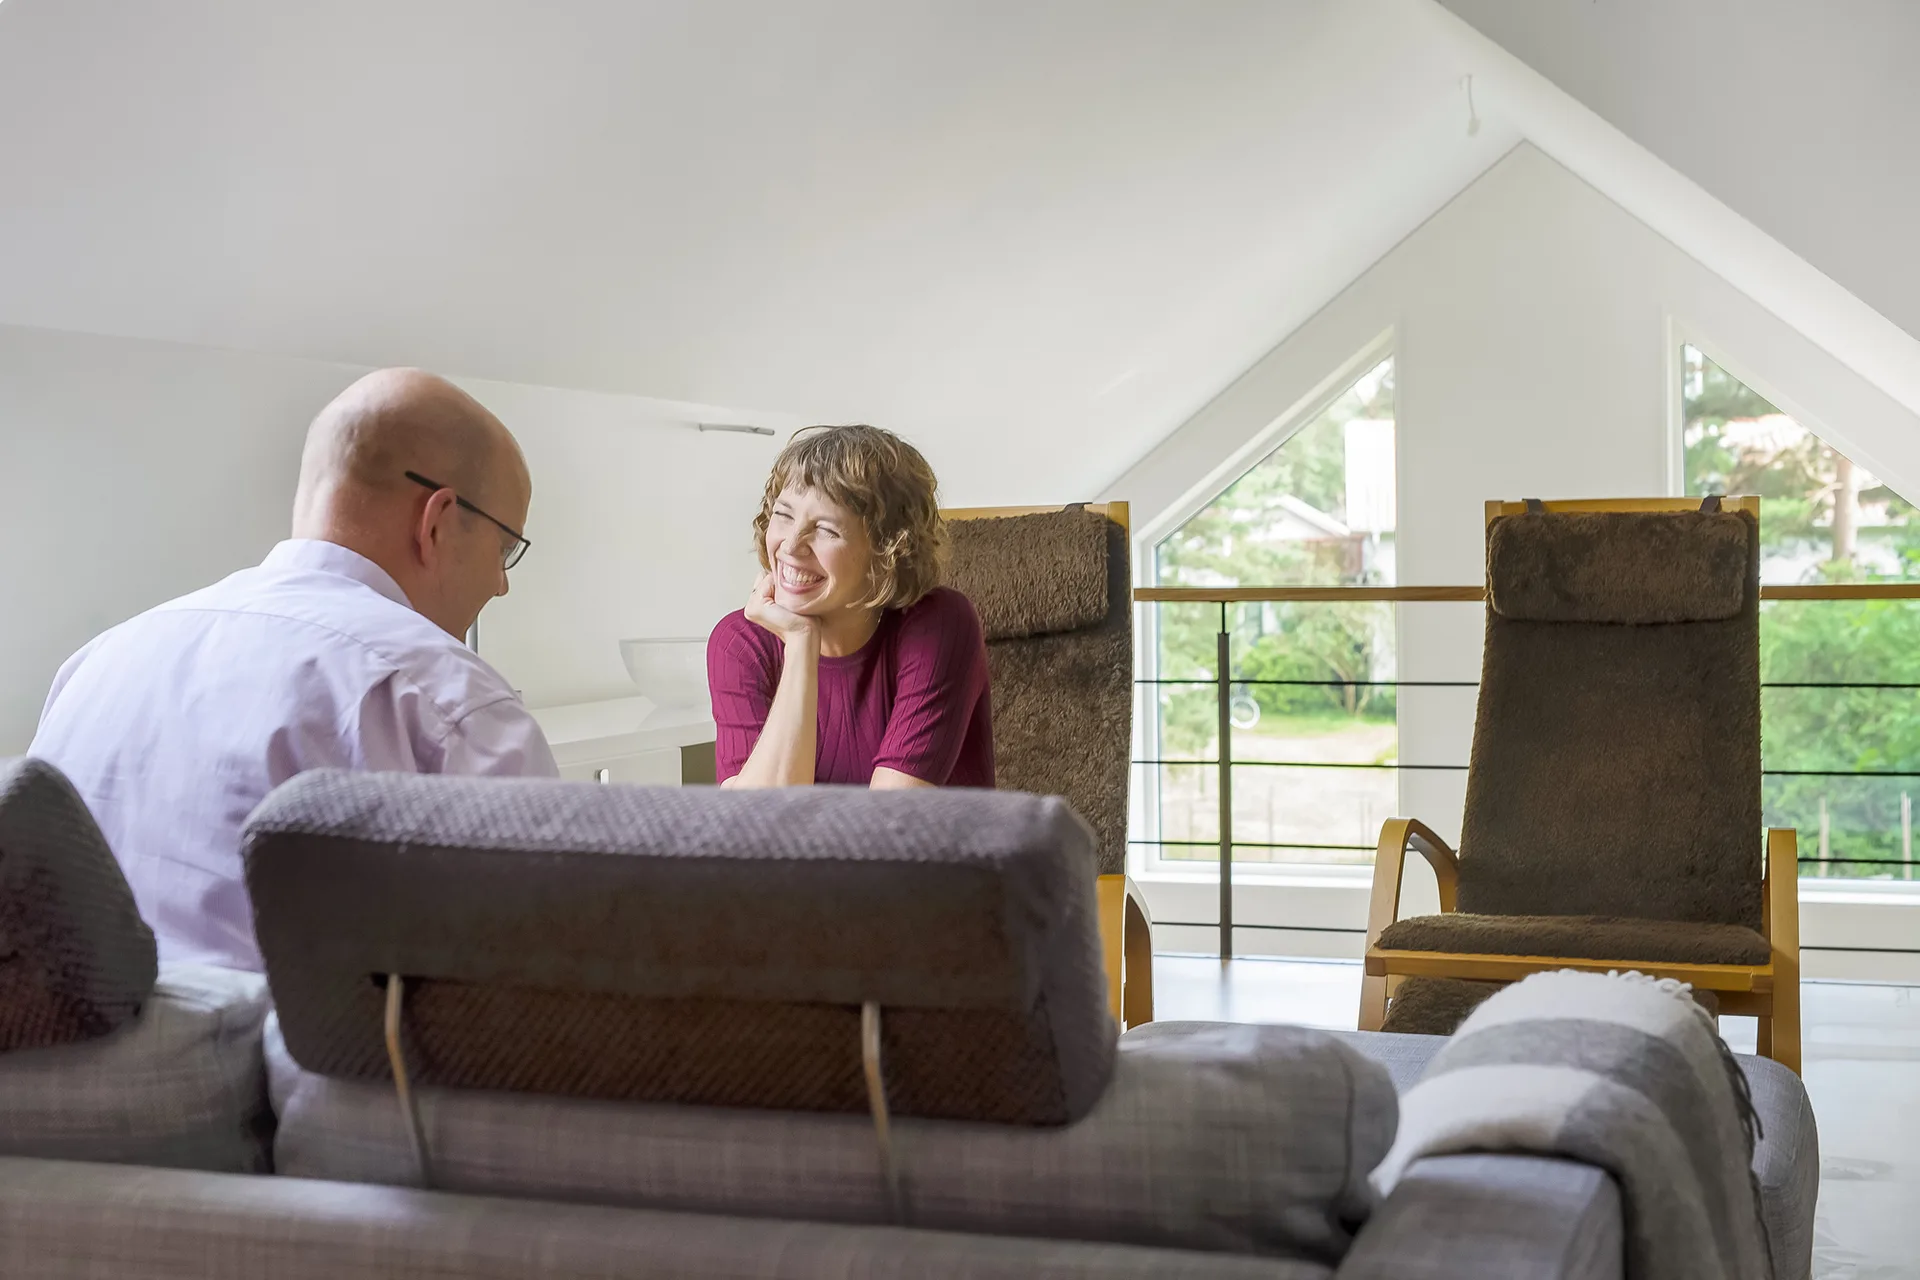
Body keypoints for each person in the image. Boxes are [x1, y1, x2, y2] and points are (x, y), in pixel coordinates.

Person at [30, 368, 558, 972]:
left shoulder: (96, 664)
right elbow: (553, 978)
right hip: (310, 1066)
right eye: (504, 548)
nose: (501, 582)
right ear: (435, 519)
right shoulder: (447, 701)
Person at [708, 424, 993, 789]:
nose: (791, 546)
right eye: (784, 515)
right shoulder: (738, 643)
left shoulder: (939, 624)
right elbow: (754, 830)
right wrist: (801, 643)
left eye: (826, 528)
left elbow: (889, 824)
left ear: (887, 551)